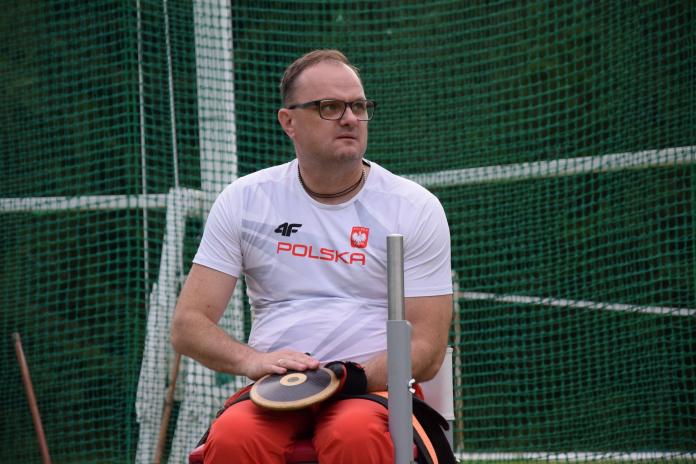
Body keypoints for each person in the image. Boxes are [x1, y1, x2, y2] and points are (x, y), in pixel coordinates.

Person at [171, 49, 453, 463]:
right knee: (233, 436)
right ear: (289, 122)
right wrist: (253, 361)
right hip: (274, 393)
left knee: (354, 433)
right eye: (330, 107)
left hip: (369, 392)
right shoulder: (245, 200)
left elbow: (427, 350)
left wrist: (344, 377)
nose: (350, 118)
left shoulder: (412, 207)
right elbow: (188, 326)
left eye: (358, 106)